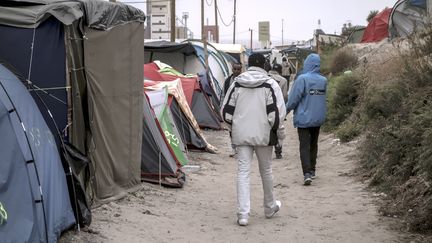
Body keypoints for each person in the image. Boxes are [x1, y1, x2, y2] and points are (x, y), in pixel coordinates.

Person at [221, 53, 286, 226]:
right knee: (266, 170)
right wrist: (280, 135)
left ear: (248, 65)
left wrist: (233, 128)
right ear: (264, 65)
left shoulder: (236, 83)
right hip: (264, 135)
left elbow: (225, 112)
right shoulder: (270, 84)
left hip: (241, 135)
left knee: (243, 173)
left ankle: (243, 215)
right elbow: (277, 114)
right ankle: (270, 207)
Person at [286, 53, 327, 186]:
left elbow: (294, 99)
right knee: (314, 144)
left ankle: (306, 173)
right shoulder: (323, 80)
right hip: (317, 118)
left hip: (304, 119)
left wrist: (285, 111)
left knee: (304, 145)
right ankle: (313, 170)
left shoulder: (302, 79)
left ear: (307, 63)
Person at [222, 62, 243, 157]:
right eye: (235, 69)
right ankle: (234, 148)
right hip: (230, 110)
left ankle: (241, 148)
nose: (237, 71)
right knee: (231, 129)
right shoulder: (227, 81)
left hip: (241, 109)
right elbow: (223, 95)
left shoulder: (244, 81)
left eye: (239, 69)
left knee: (241, 129)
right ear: (232, 69)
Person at [268, 63, 289, 159]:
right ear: (280, 71)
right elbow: (284, 96)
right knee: (279, 128)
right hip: (278, 108)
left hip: (266, 108)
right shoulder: (284, 80)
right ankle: (278, 149)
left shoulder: (265, 77)